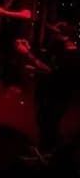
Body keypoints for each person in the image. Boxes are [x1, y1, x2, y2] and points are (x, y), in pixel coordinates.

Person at [16, 22, 80, 163]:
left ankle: (50, 158)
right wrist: (30, 51)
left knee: (49, 124)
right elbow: (49, 68)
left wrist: (27, 53)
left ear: (66, 37)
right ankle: (47, 154)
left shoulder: (72, 56)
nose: (53, 34)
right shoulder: (61, 49)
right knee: (43, 121)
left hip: (59, 96)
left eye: (56, 32)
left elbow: (50, 70)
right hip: (49, 92)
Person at [0, 0, 37, 90]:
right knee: (9, 57)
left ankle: (18, 86)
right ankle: (8, 82)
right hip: (13, 31)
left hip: (20, 32)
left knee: (18, 59)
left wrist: (4, 12)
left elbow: (27, 14)